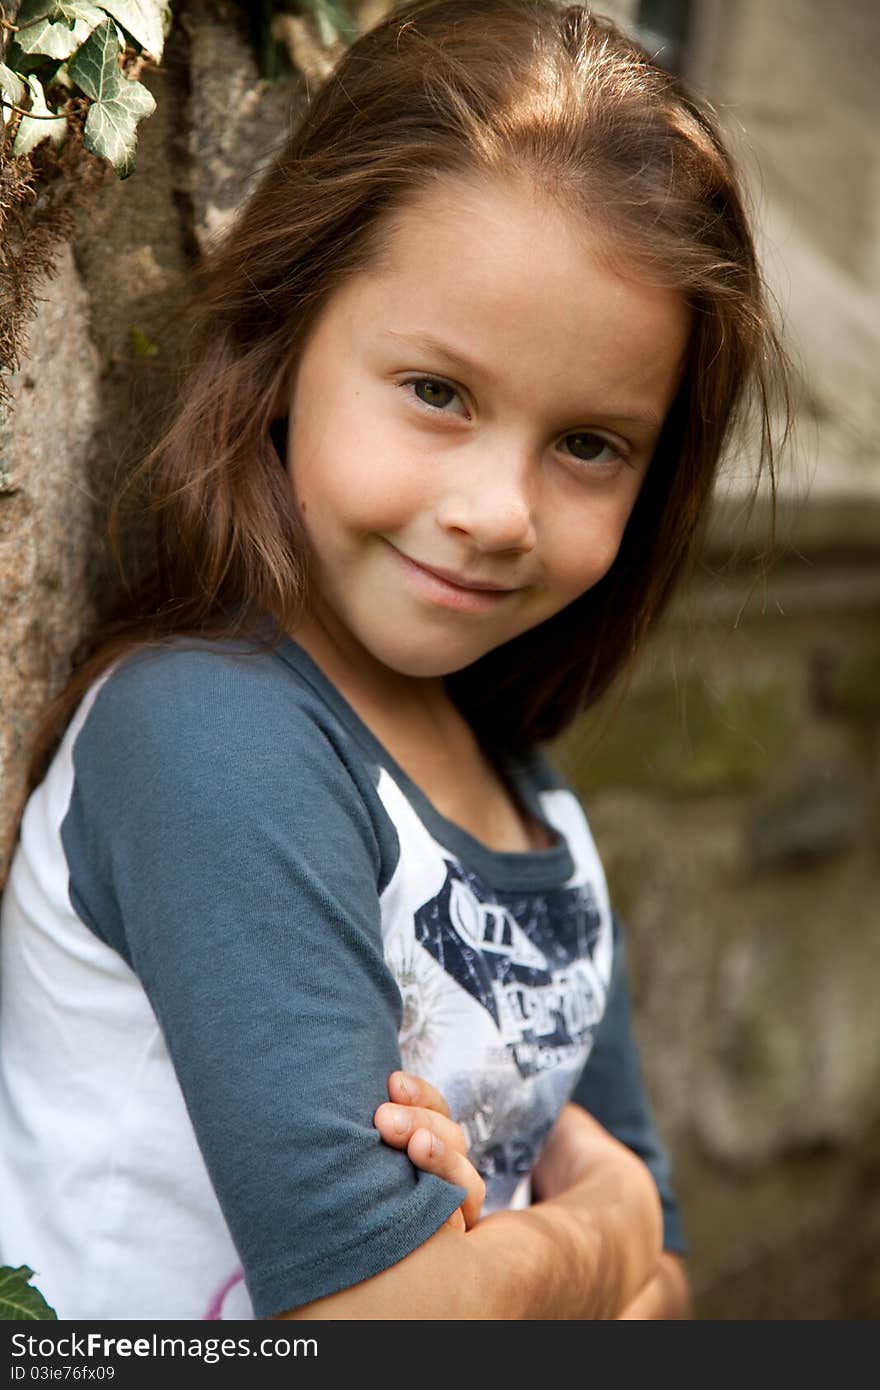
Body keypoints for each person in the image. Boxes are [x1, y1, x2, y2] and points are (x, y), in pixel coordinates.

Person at [0, 0, 788, 1320]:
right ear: (288, 329)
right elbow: (388, 1319)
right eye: (440, 392)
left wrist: (537, 1265)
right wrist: (597, 1237)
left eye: (590, 443)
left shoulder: (523, 796)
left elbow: (675, 1294)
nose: (498, 509)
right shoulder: (211, 738)